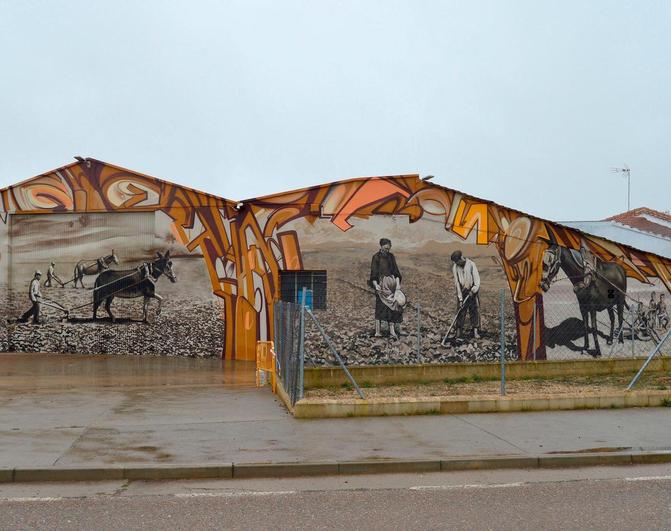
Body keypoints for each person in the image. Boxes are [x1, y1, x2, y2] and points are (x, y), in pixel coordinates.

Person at [369, 238, 404, 339]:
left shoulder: (391, 256)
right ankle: (377, 331)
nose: (387, 251)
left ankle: (392, 331)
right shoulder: (376, 257)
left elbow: (396, 272)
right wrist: (376, 285)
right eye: (385, 249)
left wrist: (397, 285)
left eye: (388, 249)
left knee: (393, 307)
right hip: (381, 285)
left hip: (391, 285)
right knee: (380, 308)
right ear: (381, 247)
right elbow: (373, 274)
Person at [451, 250, 481, 339]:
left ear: (461, 258)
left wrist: (473, 290)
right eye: (455, 262)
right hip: (463, 291)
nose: (457, 263)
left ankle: (475, 331)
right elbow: (457, 283)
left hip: (472, 290)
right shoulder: (455, 267)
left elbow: (477, 280)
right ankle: (459, 332)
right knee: (460, 310)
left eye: (457, 261)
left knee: (474, 310)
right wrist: (460, 299)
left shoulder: (471, 264)